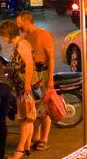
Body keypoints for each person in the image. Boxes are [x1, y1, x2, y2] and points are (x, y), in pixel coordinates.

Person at [15, 11, 56, 151]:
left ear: (27, 22)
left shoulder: (44, 35)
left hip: (43, 74)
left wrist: (50, 80)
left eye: (20, 24)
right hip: (33, 76)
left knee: (44, 108)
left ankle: (44, 138)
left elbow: (51, 59)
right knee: (34, 107)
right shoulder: (26, 36)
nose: (18, 27)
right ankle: (36, 137)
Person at [0, 20, 37, 159]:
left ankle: (20, 150)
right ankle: (27, 147)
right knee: (28, 117)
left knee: (24, 118)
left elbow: (29, 64)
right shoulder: (19, 44)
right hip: (21, 85)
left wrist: (27, 85)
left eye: (3, 36)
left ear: (8, 34)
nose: (3, 39)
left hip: (23, 86)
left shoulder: (22, 44)